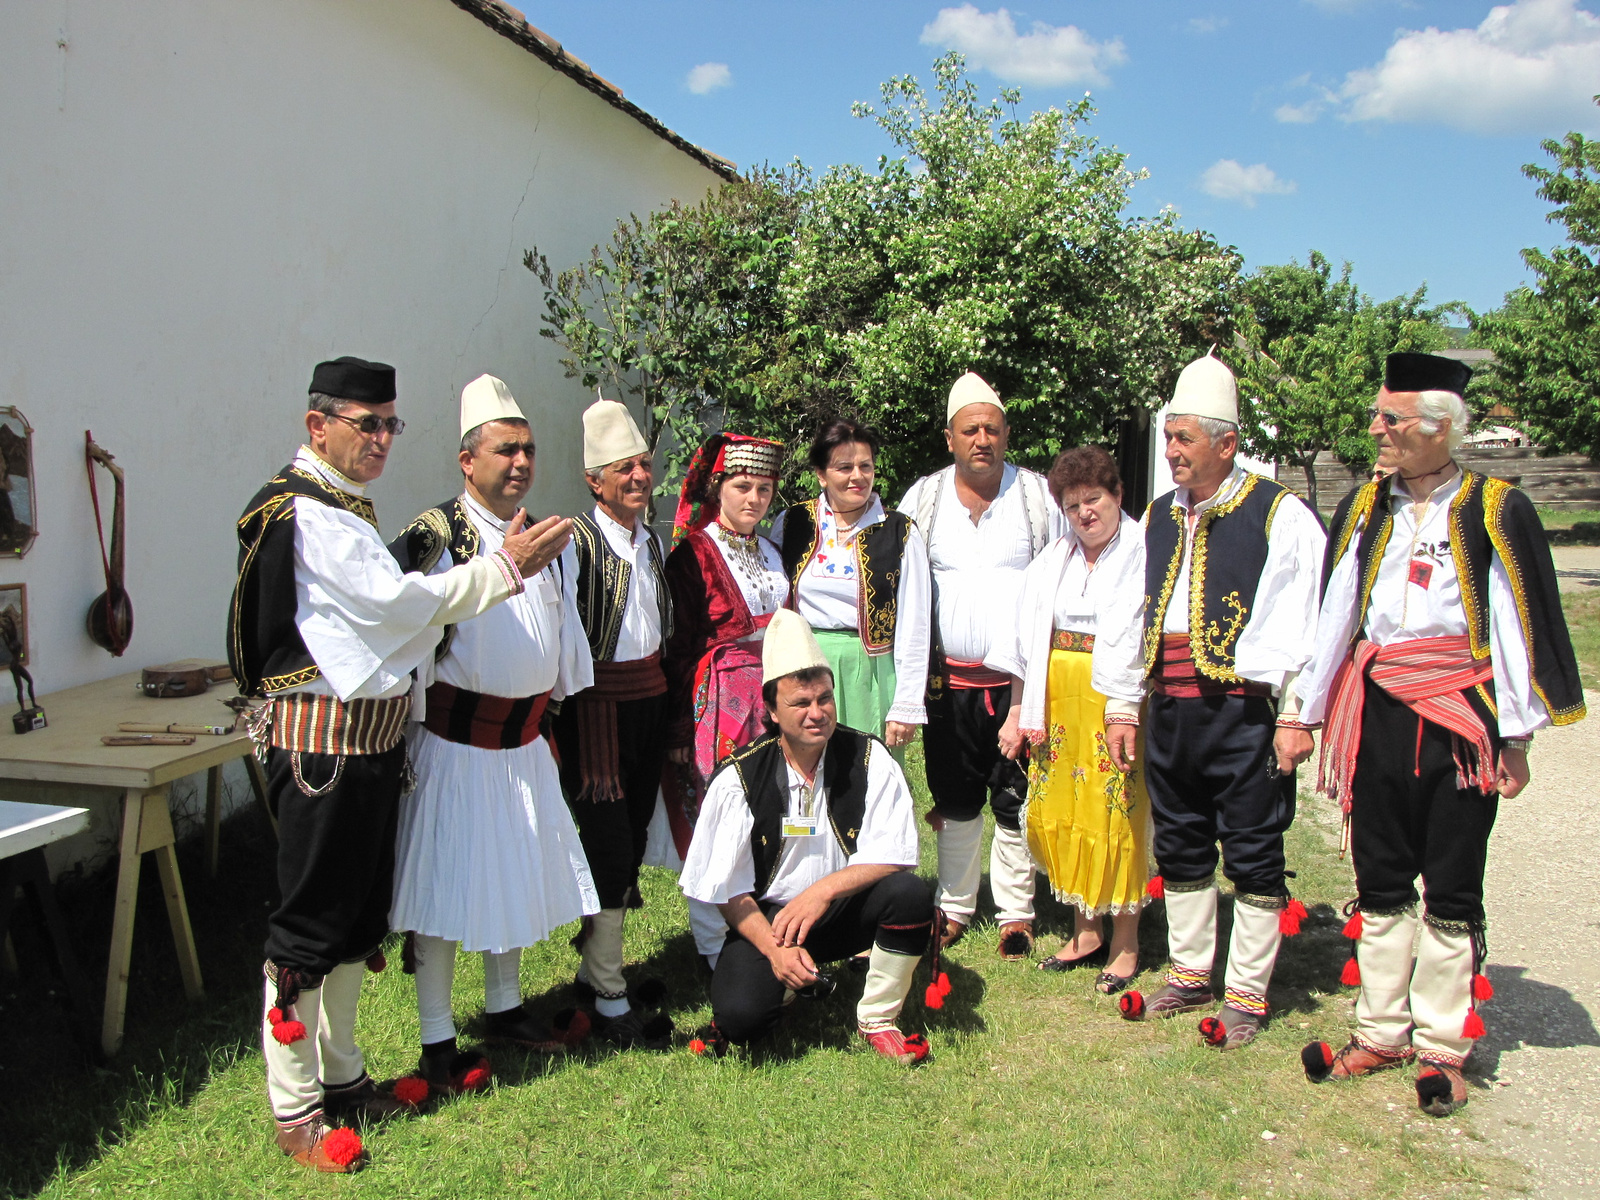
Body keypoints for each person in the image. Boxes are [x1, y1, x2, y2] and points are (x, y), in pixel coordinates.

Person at [227, 357, 570, 1171]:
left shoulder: (344, 509)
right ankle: (296, 1109)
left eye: (389, 425)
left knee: (356, 923)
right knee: (309, 927)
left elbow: (398, 629)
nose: (380, 439)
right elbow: (395, 607)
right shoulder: (304, 512)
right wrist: (499, 569)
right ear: (319, 427)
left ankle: (344, 1081)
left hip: (371, 743)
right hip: (322, 746)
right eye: (364, 424)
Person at [1296, 352, 1586, 1115]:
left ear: (1439, 427)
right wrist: (1307, 710)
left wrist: (1516, 737)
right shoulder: (1367, 507)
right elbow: (1338, 613)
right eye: (1378, 416)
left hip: (1460, 712)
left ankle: (1442, 1047)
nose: (1375, 430)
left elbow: (1516, 627)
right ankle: (1380, 1030)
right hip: (1378, 707)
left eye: (1389, 419)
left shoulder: (1495, 507)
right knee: (1381, 875)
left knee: (1452, 885)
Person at [1099, 349, 1326, 1050]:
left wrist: (1295, 715)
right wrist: (1123, 704)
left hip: (1240, 711)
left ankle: (1249, 993)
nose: (1169, 451)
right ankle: (1194, 971)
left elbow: (1306, 621)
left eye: (1183, 439)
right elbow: (1125, 611)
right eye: (1166, 437)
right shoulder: (1160, 515)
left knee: (1254, 850)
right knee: (1183, 840)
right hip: (1168, 705)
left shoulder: (1277, 514)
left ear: (1227, 444)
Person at [388, 375, 598, 1093]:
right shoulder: (433, 535)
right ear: (465, 459)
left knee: (512, 870)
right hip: (455, 745)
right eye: (506, 449)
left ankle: (506, 1008)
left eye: (530, 450)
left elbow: (560, 629)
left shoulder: (545, 535)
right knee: (445, 889)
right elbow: (400, 627)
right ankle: (436, 1038)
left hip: (524, 745)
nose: (521, 463)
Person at [680, 609, 935, 1062]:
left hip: (841, 910)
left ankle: (877, 1017)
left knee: (910, 895)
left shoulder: (868, 757)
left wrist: (821, 892)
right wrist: (775, 952)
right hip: (771, 922)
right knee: (741, 1020)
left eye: (825, 699)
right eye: (800, 703)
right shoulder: (739, 778)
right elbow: (726, 891)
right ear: (772, 711)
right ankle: (788, 981)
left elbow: (895, 853)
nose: (817, 713)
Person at [897, 372, 1062, 958]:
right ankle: (956, 905)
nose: (982, 439)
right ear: (950, 438)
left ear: (1007, 434)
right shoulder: (923, 499)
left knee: (1016, 796)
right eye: (971, 429)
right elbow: (903, 593)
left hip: (1019, 685)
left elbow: (1063, 586)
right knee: (957, 795)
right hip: (948, 684)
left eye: (992, 428)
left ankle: (1017, 910)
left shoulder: (1040, 498)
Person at [986, 445, 1150, 992]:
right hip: (1057, 699)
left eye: (1094, 499)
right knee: (1068, 806)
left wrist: (1124, 706)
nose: (1085, 512)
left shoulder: (1142, 552)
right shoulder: (1052, 561)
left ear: (1117, 494)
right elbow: (1022, 650)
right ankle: (1086, 930)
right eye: (1073, 503)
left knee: (1115, 813)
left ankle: (1126, 943)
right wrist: (1017, 712)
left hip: (1113, 701)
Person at [551, 398, 674, 1049]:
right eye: (623, 468)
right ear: (594, 480)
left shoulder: (650, 539)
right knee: (609, 843)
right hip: (598, 709)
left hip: (649, 701)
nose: (638, 477)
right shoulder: (575, 541)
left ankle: (598, 965)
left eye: (644, 465)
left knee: (629, 831)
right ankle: (605, 987)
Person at [661, 432, 789, 969]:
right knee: (715, 820)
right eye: (742, 487)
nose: (753, 499)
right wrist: (675, 732)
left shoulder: (772, 550)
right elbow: (676, 647)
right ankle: (714, 947)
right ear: (718, 488)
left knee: (770, 816)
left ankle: (763, 927)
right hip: (714, 715)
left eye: (764, 489)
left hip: (773, 705)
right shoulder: (693, 555)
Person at [769, 419, 931, 757]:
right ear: (821, 473)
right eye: (844, 467)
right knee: (804, 767)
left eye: (865, 466)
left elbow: (915, 623)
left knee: (866, 773)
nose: (857, 476)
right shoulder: (792, 523)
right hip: (803, 663)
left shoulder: (899, 531)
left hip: (870, 670)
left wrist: (906, 703)